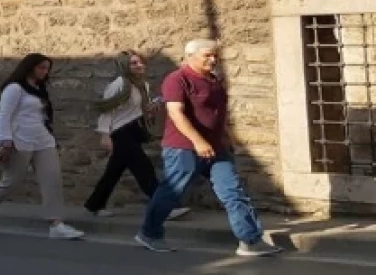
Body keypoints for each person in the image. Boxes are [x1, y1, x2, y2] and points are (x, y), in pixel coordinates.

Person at [135, 39, 281, 257]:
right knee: (171, 193)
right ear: (189, 56)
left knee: (233, 192)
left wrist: (227, 138)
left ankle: (250, 240)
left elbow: (219, 115)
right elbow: (176, 113)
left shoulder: (214, 81)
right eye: (207, 56)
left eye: (215, 56)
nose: (213, 60)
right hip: (183, 148)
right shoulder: (177, 80)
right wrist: (198, 141)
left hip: (215, 148)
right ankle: (150, 233)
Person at [0, 53, 84, 240]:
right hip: (19, 140)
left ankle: (56, 224)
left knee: (52, 180)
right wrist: (5, 140)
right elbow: (4, 115)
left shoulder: (39, 89)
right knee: (10, 182)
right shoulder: (14, 88)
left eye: (47, 68)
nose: (45, 72)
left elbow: (41, 116)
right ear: (29, 67)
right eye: (41, 67)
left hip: (43, 140)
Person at [84, 51, 189, 220]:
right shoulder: (118, 84)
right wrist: (105, 135)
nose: (139, 65)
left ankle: (95, 204)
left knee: (114, 171)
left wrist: (151, 108)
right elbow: (107, 111)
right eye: (133, 63)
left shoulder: (142, 85)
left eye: (140, 62)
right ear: (125, 65)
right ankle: (165, 208)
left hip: (134, 129)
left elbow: (137, 110)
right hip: (119, 131)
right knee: (143, 168)